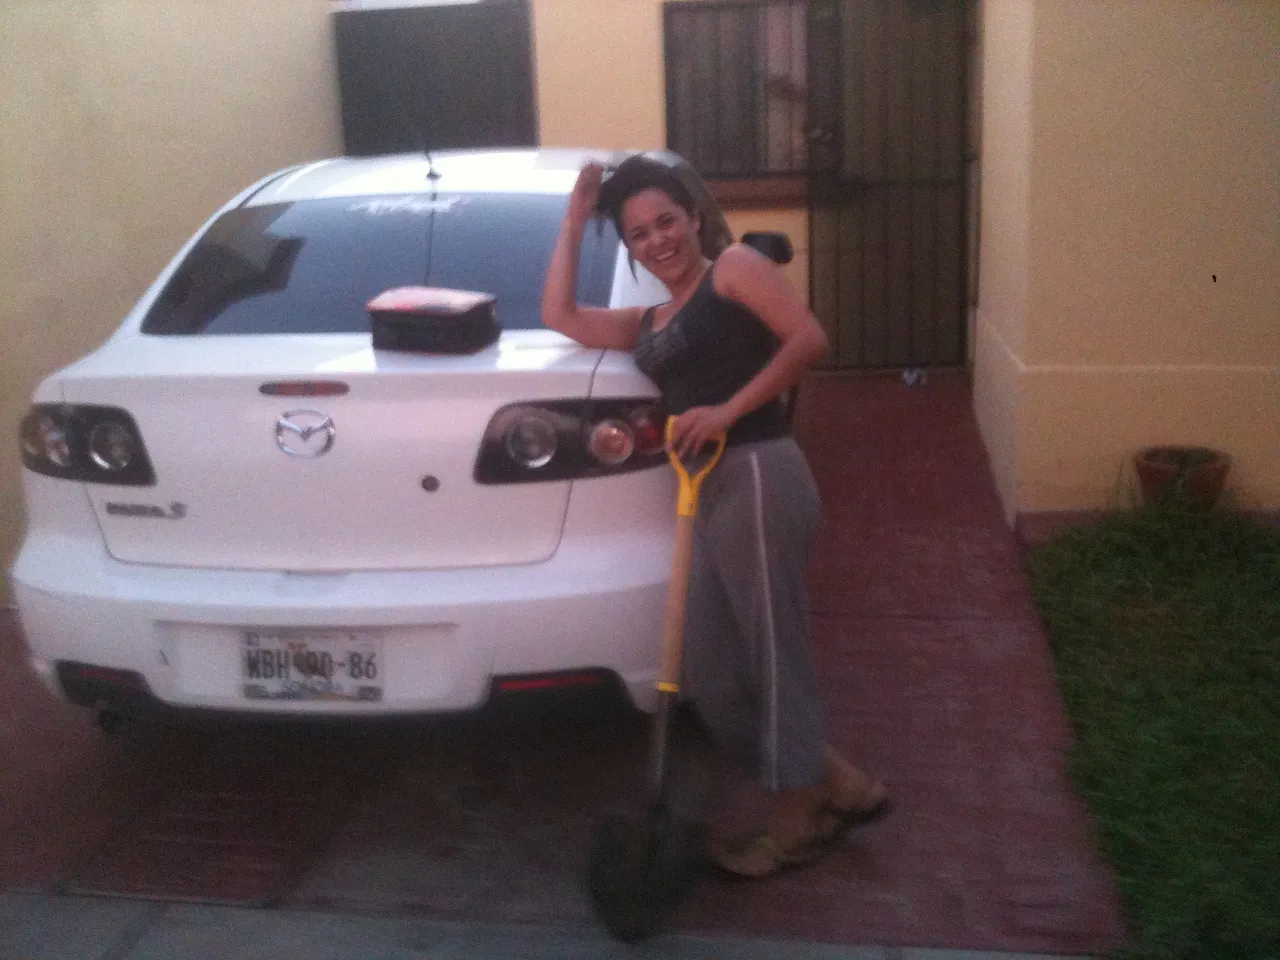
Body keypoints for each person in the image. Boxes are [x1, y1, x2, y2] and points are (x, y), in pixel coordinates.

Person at [541, 154, 888, 878]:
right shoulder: (651, 321)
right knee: (711, 666)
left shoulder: (732, 269)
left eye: (666, 221)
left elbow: (810, 340)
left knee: (772, 652)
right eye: (638, 234)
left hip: (760, 471)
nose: (657, 240)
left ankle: (796, 820)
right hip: (705, 490)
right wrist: (577, 220)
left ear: (694, 217)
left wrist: (729, 409)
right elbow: (560, 316)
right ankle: (840, 782)